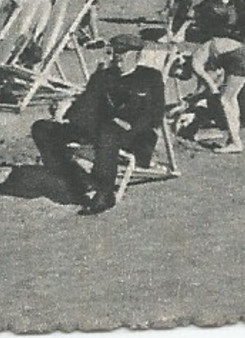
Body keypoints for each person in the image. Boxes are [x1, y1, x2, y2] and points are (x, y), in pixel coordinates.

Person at [30, 31, 166, 215]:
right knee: (42, 128)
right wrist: (64, 112)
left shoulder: (150, 78)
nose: (117, 57)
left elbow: (154, 115)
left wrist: (130, 126)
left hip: (135, 136)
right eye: (114, 52)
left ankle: (105, 193)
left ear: (136, 55)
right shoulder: (103, 77)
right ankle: (75, 178)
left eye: (123, 52)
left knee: (108, 131)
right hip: (98, 129)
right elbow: (85, 106)